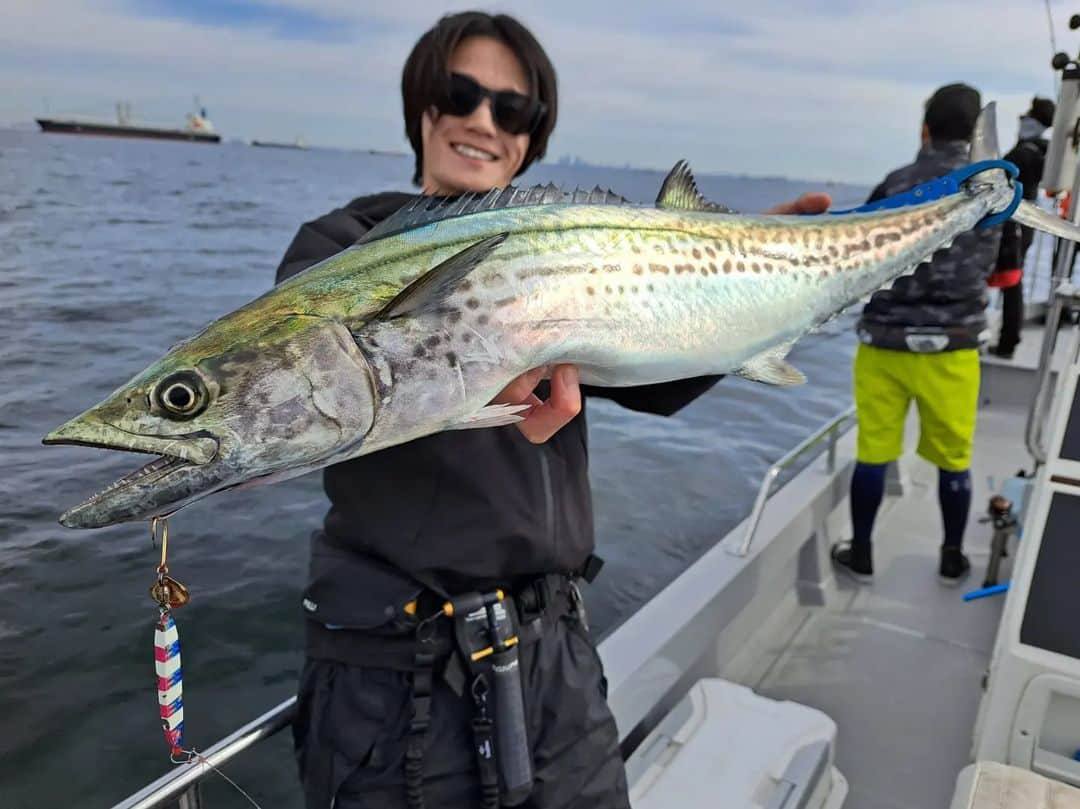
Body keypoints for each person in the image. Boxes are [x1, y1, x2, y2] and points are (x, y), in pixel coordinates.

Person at [275, 12, 831, 809]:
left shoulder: (565, 258)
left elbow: (661, 381)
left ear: (533, 139)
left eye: (515, 110)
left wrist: (744, 285)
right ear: (421, 109)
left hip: (556, 662)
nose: (482, 120)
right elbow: (313, 394)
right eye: (458, 93)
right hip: (394, 680)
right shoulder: (339, 250)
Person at [831, 83, 1002, 587]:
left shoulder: (896, 182)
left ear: (924, 130)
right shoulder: (993, 189)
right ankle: (952, 557)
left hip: (885, 346)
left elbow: (853, 252)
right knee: (954, 459)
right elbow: (1005, 263)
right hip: (953, 351)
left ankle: (860, 552)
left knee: (874, 453)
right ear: (977, 136)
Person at [988, 97, 1056, 359]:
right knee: (1013, 278)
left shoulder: (1027, 152)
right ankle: (1007, 337)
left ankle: (1008, 341)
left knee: (1011, 279)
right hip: (1022, 222)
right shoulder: (1040, 150)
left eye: (1028, 115)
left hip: (1014, 222)